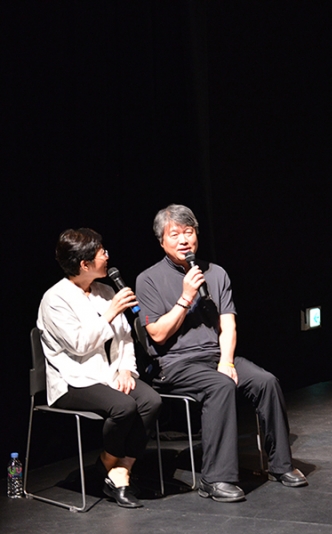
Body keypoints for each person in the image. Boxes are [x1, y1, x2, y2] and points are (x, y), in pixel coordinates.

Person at [135, 204, 307, 503]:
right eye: (174, 234)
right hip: (174, 363)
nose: (183, 240)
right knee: (220, 385)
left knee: (266, 381)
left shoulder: (215, 273)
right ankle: (215, 479)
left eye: (189, 232)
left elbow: (228, 324)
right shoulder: (148, 279)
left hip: (215, 355)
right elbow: (158, 334)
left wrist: (227, 361)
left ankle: (281, 465)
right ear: (162, 241)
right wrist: (186, 297)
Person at [37, 228, 162, 509]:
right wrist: (110, 312)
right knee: (124, 407)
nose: (107, 256)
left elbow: (125, 337)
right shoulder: (55, 299)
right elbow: (79, 345)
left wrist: (126, 369)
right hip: (73, 379)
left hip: (110, 374)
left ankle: (119, 469)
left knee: (151, 401)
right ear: (84, 264)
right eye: (101, 252)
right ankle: (109, 467)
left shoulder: (105, 291)